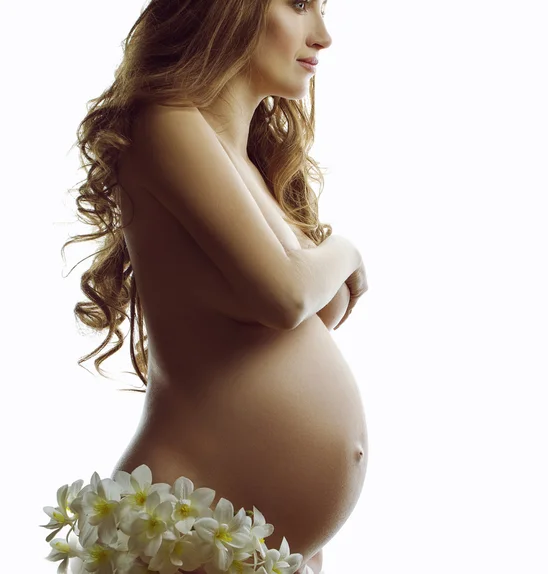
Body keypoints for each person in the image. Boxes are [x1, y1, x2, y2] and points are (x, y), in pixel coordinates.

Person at [62, 0, 369, 572]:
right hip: (179, 528)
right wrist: (344, 251)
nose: (323, 35)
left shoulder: (246, 163)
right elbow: (282, 298)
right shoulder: (167, 123)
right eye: (300, 5)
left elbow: (291, 319)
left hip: (255, 545)